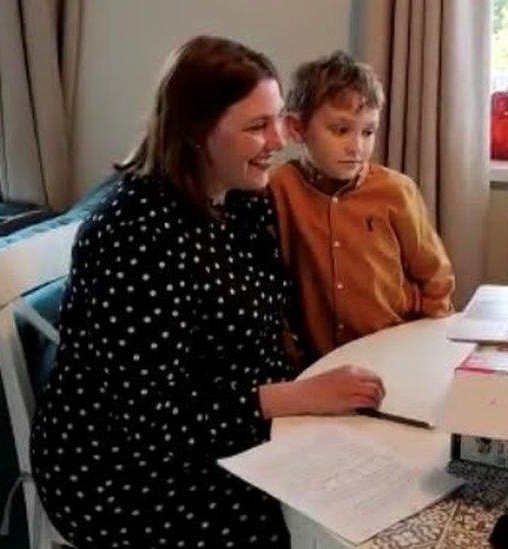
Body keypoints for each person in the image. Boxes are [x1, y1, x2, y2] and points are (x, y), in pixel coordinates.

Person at [29, 36, 385, 549]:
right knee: (297, 524)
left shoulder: (242, 201)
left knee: (357, 478)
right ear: (197, 134)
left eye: (278, 119)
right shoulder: (132, 233)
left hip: (231, 424)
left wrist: (312, 395)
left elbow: (264, 333)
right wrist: (297, 398)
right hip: (122, 466)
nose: (279, 140)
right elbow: (151, 417)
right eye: (257, 127)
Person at [268, 51, 455, 360]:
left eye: (368, 131)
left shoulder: (396, 191)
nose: (357, 147)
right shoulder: (279, 188)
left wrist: (428, 351)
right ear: (297, 129)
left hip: (395, 353)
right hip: (317, 364)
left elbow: (435, 277)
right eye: (340, 130)